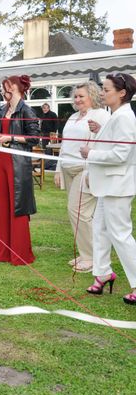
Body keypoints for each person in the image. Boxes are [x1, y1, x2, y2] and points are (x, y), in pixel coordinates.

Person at [80, 73, 136, 305]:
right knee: (99, 230)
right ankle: (102, 273)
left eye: (106, 89)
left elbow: (121, 155)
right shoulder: (115, 116)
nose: (102, 93)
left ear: (122, 93)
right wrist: (100, 129)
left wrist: (90, 153)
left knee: (120, 235)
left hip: (118, 185)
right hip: (109, 185)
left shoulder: (125, 117)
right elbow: (115, 142)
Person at [54, 82, 110, 273]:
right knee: (78, 214)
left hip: (85, 169)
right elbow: (64, 144)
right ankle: (87, 253)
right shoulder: (73, 117)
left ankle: (91, 257)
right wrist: (58, 169)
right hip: (68, 168)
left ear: (92, 96)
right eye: (75, 96)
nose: (77, 100)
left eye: (81, 96)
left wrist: (90, 170)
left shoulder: (101, 115)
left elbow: (104, 143)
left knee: (78, 212)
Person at [0, 75, 40, 266]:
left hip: (17, 163)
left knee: (17, 207)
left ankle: (19, 253)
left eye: (6, 88)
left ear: (17, 89)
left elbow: (35, 138)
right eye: (3, 88)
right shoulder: (3, 109)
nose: (4, 92)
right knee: (2, 206)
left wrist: (11, 138)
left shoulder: (27, 110)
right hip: (0, 161)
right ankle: (2, 253)